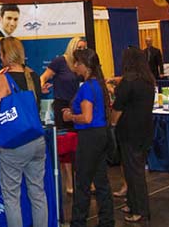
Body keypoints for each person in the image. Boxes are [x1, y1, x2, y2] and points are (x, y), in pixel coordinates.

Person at [0, 37, 47, 227]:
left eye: (0, 52)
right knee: (38, 193)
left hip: (15, 145)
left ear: (5, 55)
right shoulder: (34, 75)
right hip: (37, 140)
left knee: (11, 197)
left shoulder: (3, 79)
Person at [61, 48, 115, 227]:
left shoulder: (87, 88)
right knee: (101, 181)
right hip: (100, 135)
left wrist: (70, 117)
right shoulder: (98, 85)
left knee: (83, 182)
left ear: (85, 66)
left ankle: (78, 222)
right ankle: (107, 220)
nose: (74, 66)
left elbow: (87, 117)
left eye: (77, 63)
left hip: (89, 136)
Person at [110, 48, 156, 223]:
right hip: (145, 130)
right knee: (133, 169)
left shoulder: (128, 82)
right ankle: (132, 202)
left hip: (129, 132)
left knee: (134, 172)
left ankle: (140, 210)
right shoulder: (147, 81)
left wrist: (112, 124)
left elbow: (118, 108)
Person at [39, 36, 87, 194]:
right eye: (78, 47)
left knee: (81, 145)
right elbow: (43, 77)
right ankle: (68, 183)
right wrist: (41, 88)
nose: (81, 51)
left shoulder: (82, 65)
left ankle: (84, 179)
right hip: (62, 107)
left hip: (79, 107)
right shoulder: (60, 61)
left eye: (83, 48)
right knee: (66, 148)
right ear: (72, 46)